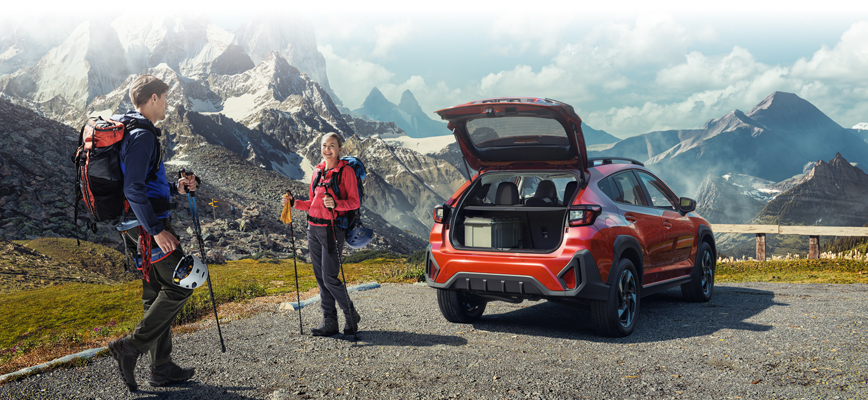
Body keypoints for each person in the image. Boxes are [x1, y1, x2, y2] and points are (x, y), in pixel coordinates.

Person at [107, 75, 199, 392]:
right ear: (155, 98)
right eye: (166, 98)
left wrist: (176, 187)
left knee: (155, 294)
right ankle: (130, 348)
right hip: (147, 228)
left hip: (135, 225)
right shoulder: (142, 135)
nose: (168, 105)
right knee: (182, 285)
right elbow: (133, 188)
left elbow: (142, 183)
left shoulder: (130, 129)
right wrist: (157, 230)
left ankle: (161, 369)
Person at [284, 132, 361, 336]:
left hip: (332, 228)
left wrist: (336, 204)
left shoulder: (346, 172)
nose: (327, 149)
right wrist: (294, 203)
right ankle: (329, 321)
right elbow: (311, 203)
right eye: (324, 145)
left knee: (330, 278)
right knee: (320, 278)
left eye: (332, 146)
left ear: (339, 150)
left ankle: (350, 314)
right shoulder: (317, 171)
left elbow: (355, 202)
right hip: (313, 228)